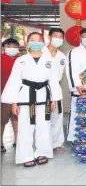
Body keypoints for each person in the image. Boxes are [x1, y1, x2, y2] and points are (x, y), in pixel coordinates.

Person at [1, 32, 61, 167]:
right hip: (26, 96)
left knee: (43, 126)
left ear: (43, 43)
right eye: (32, 40)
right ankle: (26, 156)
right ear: (27, 43)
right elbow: (14, 81)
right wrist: (13, 102)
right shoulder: (21, 60)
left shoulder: (49, 61)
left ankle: (42, 153)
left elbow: (53, 81)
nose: (35, 42)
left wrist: (54, 99)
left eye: (39, 40)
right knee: (25, 128)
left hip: (44, 96)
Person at [42, 28, 67, 152]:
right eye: (56, 36)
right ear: (50, 37)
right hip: (41, 87)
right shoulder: (40, 52)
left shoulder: (62, 56)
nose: (58, 39)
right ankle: (43, 144)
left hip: (56, 88)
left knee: (57, 116)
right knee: (43, 117)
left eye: (61, 37)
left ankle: (56, 143)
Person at [1, 38, 20, 153]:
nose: (12, 48)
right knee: (2, 120)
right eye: (9, 46)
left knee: (17, 119)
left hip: (19, 96)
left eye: (14, 46)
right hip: (3, 95)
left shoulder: (21, 59)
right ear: (4, 47)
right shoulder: (1, 59)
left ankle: (17, 141)